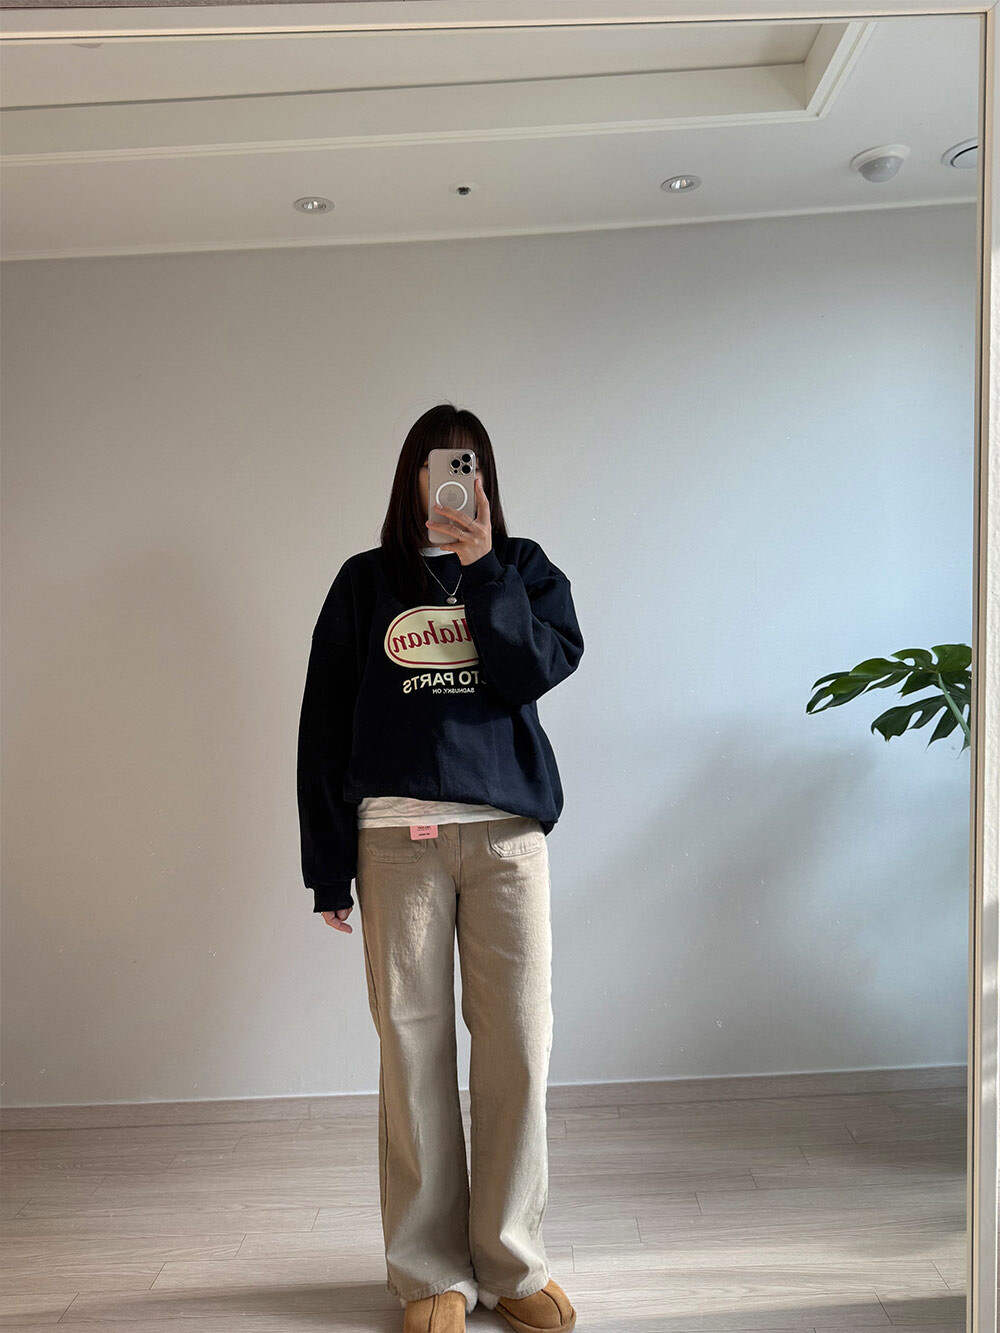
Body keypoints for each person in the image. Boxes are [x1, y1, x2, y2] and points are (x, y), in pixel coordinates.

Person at [296, 403, 584, 1333]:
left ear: (484, 480)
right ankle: (429, 1273)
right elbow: (322, 727)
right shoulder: (364, 582)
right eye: (436, 465)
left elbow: (533, 672)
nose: (452, 481)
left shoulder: (524, 570)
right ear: (412, 477)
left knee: (519, 1046)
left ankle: (510, 1263)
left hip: (507, 843)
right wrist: (327, 865)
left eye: (467, 467)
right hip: (396, 842)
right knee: (412, 1051)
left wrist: (486, 567)